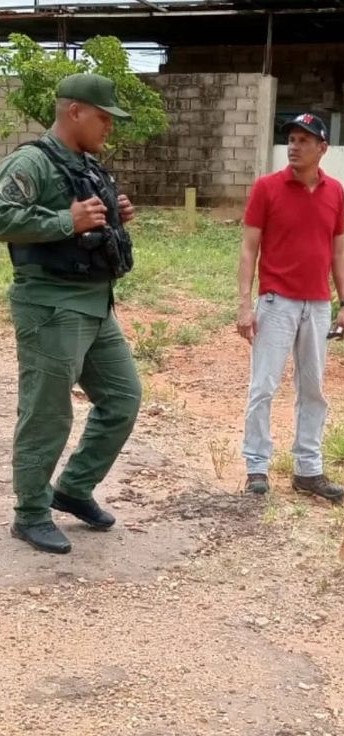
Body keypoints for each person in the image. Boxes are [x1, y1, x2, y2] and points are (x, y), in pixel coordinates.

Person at [0, 74, 142, 554]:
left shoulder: (86, 164)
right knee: (47, 413)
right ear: (75, 111)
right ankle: (31, 514)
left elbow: (89, 222)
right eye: (104, 117)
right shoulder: (31, 161)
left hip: (96, 304)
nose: (109, 128)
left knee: (123, 398)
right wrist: (67, 220)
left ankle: (74, 488)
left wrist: (113, 214)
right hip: (51, 306)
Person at [236, 112, 344, 501]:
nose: (294, 146)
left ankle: (308, 470)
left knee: (313, 389)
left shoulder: (335, 192)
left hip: (318, 304)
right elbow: (249, 247)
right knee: (264, 386)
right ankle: (256, 466)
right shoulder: (267, 188)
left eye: (304, 140)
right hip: (276, 301)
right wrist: (244, 305)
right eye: (291, 138)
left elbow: (338, 250)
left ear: (323, 148)